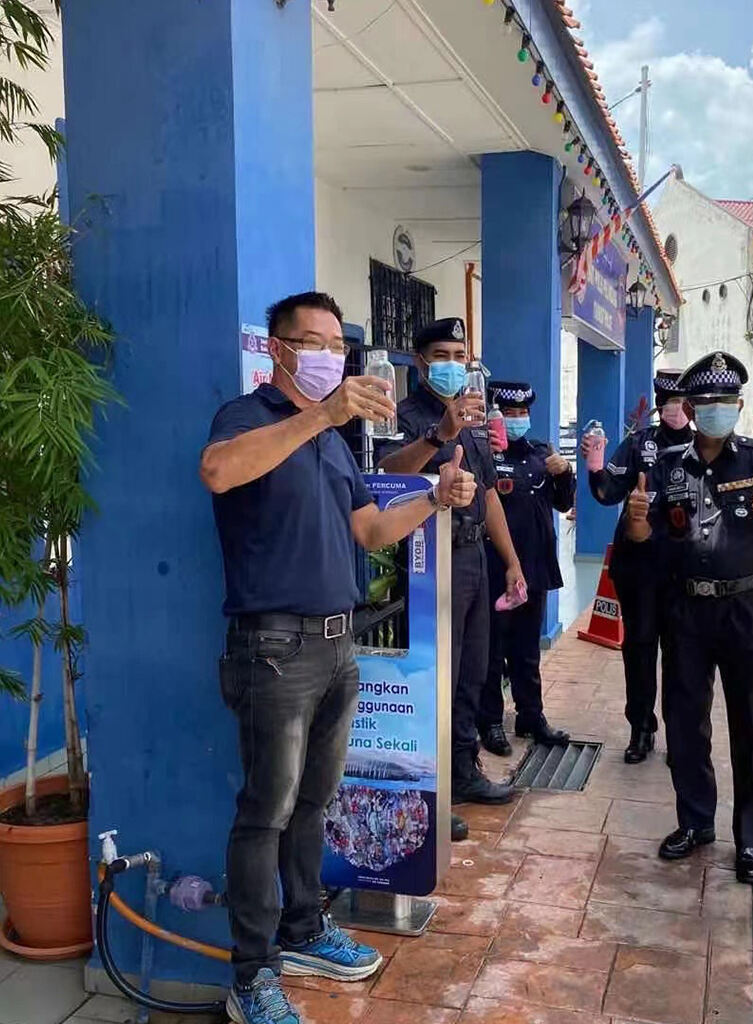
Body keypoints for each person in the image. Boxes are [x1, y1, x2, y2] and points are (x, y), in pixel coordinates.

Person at [200, 292, 479, 1024]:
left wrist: (435, 499)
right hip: (272, 649)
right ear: (278, 348)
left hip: (334, 646)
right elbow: (219, 474)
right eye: (313, 340)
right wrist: (323, 415)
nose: (330, 354)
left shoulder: (332, 442)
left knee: (312, 804)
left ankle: (302, 929)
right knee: (265, 811)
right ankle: (252, 977)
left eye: (337, 342)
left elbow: (370, 530)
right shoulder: (250, 417)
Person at [621, 350, 753, 884]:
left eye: (724, 401)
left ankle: (751, 840)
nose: (714, 410)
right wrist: (637, 524)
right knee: (684, 720)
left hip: (747, 608)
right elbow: (647, 539)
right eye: (704, 402)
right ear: (688, 404)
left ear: (739, 404)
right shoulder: (665, 465)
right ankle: (695, 821)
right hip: (685, 608)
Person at [375, 318, 525, 816]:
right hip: (429, 559)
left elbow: (487, 494)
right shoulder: (405, 415)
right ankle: (431, 785)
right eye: (441, 355)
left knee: (475, 669)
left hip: (474, 556)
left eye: (459, 356)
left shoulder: (475, 419)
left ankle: (463, 769)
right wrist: (441, 433)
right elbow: (387, 471)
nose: (452, 365)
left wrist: (511, 560)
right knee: (440, 669)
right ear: (420, 363)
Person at [583, 370, 693, 763]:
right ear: (660, 406)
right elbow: (607, 492)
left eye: (682, 404)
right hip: (640, 569)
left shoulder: (705, 447)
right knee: (640, 648)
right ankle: (641, 728)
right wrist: (595, 466)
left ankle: (682, 736)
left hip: (686, 571)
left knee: (682, 655)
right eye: (668, 404)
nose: (674, 411)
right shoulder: (639, 444)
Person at [477, 381, 575, 756]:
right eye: (509, 413)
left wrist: (565, 472)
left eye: (522, 414)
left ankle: (531, 716)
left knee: (526, 650)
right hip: (495, 570)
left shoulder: (540, 454)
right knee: (491, 651)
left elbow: (563, 503)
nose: (517, 420)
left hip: (533, 570)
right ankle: (489, 721)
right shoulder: (484, 452)